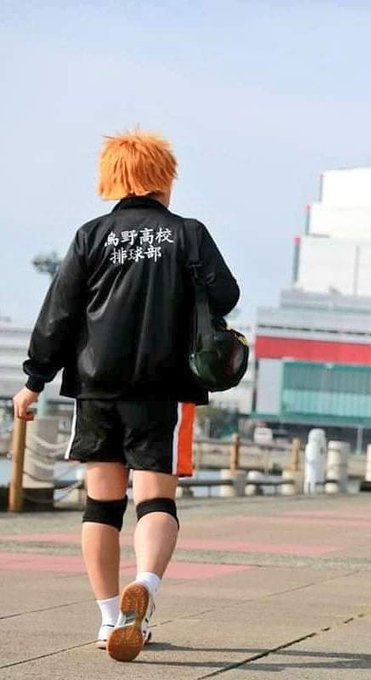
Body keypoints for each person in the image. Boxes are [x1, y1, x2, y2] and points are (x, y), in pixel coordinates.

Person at [12, 130, 240, 662]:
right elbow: (226, 294)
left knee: (102, 504)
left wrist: (34, 380)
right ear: (163, 177)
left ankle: (109, 617)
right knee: (156, 499)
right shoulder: (187, 234)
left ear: (112, 179)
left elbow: (59, 314)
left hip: (97, 387)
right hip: (162, 387)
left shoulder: (91, 236)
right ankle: (147, 586)